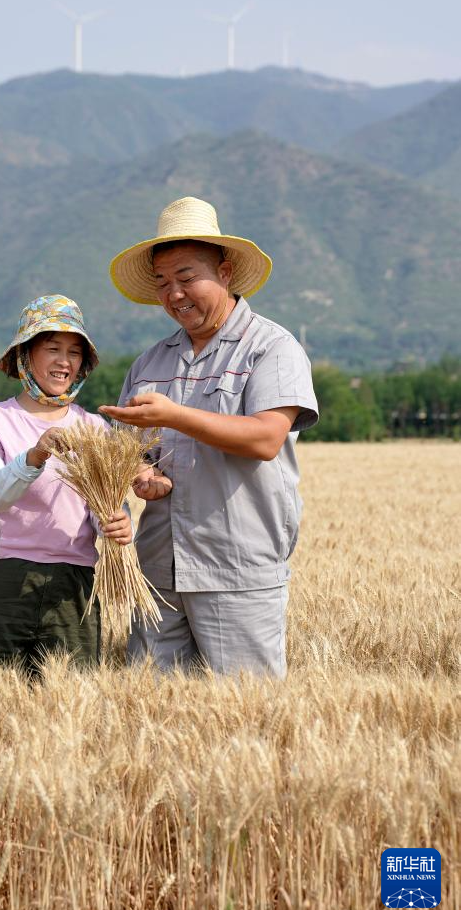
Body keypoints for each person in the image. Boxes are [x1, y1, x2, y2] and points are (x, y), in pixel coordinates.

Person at [99, 197, 319, 679]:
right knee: (149, 720)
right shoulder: (150, 362)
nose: (174, 294)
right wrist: (140, 474)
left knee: (246, 722)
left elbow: (264, 438)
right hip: (157, 570)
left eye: (186, 277)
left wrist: (175, 416)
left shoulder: (273, 348)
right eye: (163, 282)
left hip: (235, 568)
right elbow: (127, 454)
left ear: (224, 272)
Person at [0, 294, 132, 675]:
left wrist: (117, 521)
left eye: (74, 352)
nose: (64, 362)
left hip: (72, 583)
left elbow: (104, 507)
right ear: (26, 355)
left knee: (70, 710)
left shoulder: (95, 429)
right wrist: (35, 455)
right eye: (52, 348)